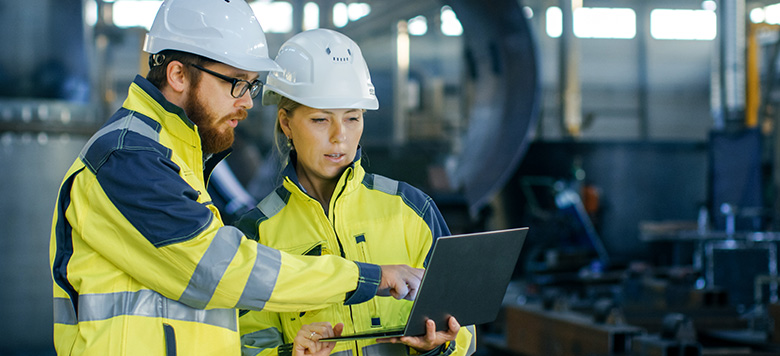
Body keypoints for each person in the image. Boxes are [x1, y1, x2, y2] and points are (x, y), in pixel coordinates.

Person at [48, 1, 424, 355]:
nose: (246, 101)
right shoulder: (128, 157)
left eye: (251, 84)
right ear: (178, 74)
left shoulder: (176, 156)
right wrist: (363, 277)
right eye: (236, 82)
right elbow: (221, 270)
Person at [235, 29, 476, 356]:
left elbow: (465, 329)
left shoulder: (412, 209)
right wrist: (290, 352)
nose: (340, 137)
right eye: (321, 120)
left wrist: (436, 347)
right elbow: (245, 344)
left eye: (352, 118)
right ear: (286, 124)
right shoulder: (257, 235)